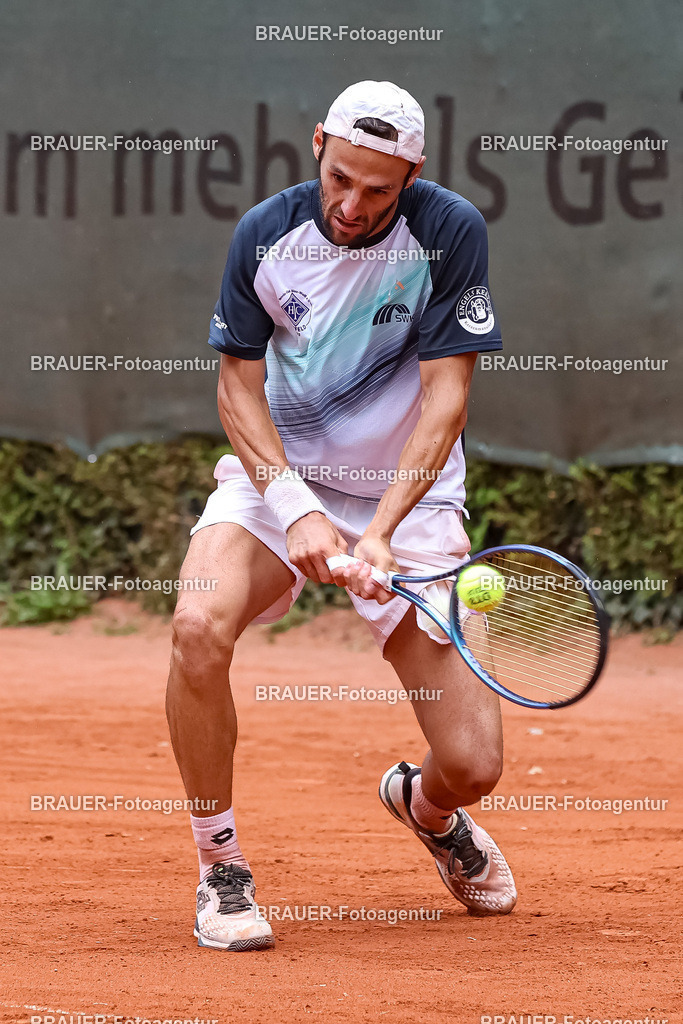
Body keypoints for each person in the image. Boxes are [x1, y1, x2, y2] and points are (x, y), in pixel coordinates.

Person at [166, 80, 516, 953]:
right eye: (340, 178)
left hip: (408, 495)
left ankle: (424, 808)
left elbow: (445, 403)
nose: (353, 205)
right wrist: (294, 510)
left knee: (474, 766)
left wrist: (381, 530)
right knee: (195, 628)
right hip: (278, 477)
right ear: (318, 142)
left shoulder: (447, 233)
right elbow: (236, 390)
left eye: (378, 190)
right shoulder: (265, 235)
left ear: (413, 175)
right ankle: (220, 869)